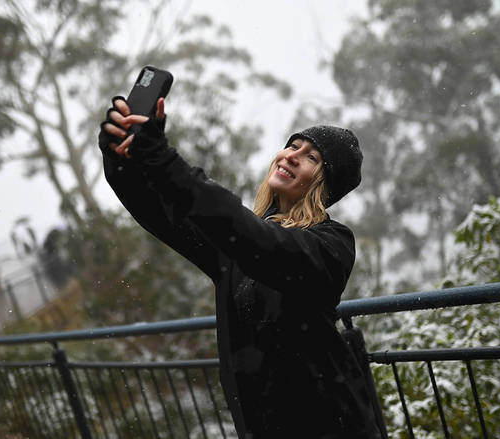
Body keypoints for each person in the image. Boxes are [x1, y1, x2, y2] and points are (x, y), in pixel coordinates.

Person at [98, 96, 385, 438]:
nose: (291, 155)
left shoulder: (331, 244)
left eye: (311, 157)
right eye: (293, 146)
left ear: (325, 182)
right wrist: (120, 156)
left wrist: (163, 158)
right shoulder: (235, 247)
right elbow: (160, 212)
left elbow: (257, 241)